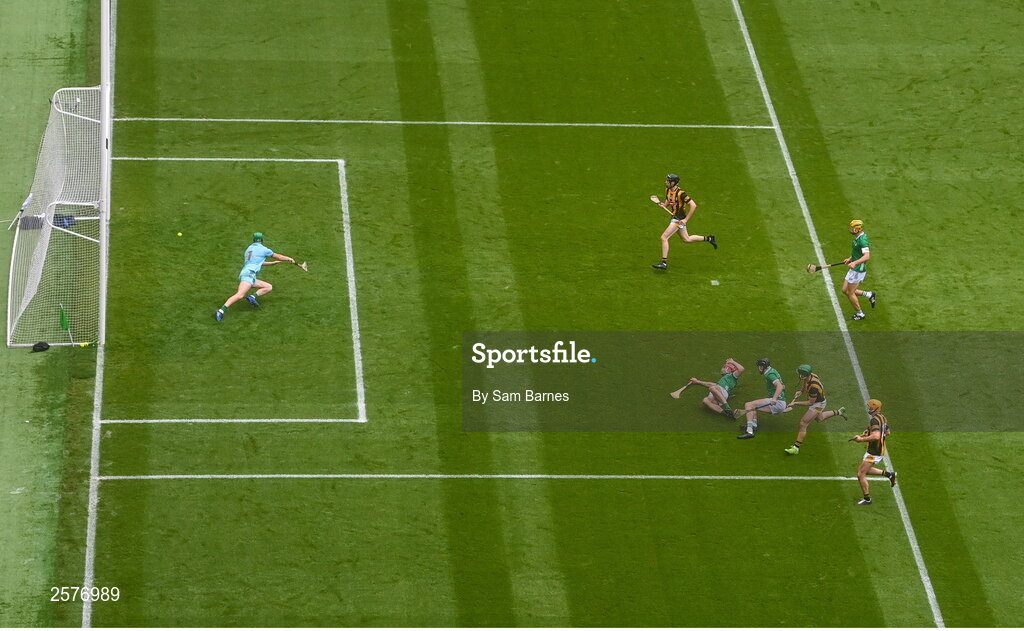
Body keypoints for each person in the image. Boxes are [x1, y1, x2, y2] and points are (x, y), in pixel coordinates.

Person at [214, 232, 296, 322]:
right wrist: (289, 258)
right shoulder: (264, 249)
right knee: (240, 295)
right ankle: (221, 310)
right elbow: (279, 256)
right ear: (262, 240)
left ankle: (252, 297)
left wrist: (272, 263)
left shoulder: (249, 249)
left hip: (248, 274)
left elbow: (256, 262)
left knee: (268, 287)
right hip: (249, 274)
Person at [650, 173, 716, 270]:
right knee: (686, 239)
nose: (666, 182)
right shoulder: (668, 190)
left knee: (664, 237)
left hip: (679, 219)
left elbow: (693, 205)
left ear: (674, 182)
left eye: (668, 181)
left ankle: (663, 263)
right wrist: (663, 204)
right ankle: (709, 238)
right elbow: (668, 202)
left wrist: (685, 220)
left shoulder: (681, 194)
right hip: (675, 218)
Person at [783, 365, 847, 454]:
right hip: (818, 401)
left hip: (818, 404)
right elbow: (805, 383)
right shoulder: (812, 375)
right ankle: (840, 412)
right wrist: (801, 391)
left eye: (800, 373)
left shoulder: (813, 387)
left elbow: (810, 403)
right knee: (819, 418)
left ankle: (796, 448)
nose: (799, 375)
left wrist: (795, 403)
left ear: (804, 375)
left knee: (803, 423)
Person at [850, 398, 897, 505]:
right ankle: (889, 474)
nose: (868, 408)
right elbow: (888, 432)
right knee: (865, 470)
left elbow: (876, 436)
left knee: (860, 474)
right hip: (878, 449)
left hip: (874, 451)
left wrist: (861, 439)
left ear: (875, 408)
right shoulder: (882, 417)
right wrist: (869, 431)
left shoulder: (874, 420)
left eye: (870, 406)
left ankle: (867, 499)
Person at [736, 358, 790, 439]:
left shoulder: (769, 374)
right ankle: (753, 426)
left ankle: (749, 432)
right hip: (781, 401)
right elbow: (782, 386)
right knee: (753, 406)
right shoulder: (772, 371)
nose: (759, 368)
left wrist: (774, 398)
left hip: (778, 402)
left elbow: (780, 386)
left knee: (749, 405)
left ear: (764, 367)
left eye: (760, 367)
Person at [674, 358, 745, 417]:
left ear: (731, 370)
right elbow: (709, 384)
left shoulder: (733, 376)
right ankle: (727, 413)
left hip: (722, 392)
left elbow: (741, 369)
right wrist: (697, 381)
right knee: (705, 400)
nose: (724, 369)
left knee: (712, 388)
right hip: (718, 395)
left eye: (727, 368)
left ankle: (727, 407)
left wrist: (732, 362)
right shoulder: (721, 381)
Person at [843, 219, 877, 321]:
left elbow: (867, 256)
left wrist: (854, 263)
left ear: (858, 229)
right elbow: (858, 252)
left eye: (853, 228)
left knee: (850, 293)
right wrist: (850, 258)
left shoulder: (862, 240)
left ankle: (860, 314)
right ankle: (869, 294)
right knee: (845, 290)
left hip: (858, 270)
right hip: (854, 268)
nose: (851, 229)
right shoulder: (858, 238)